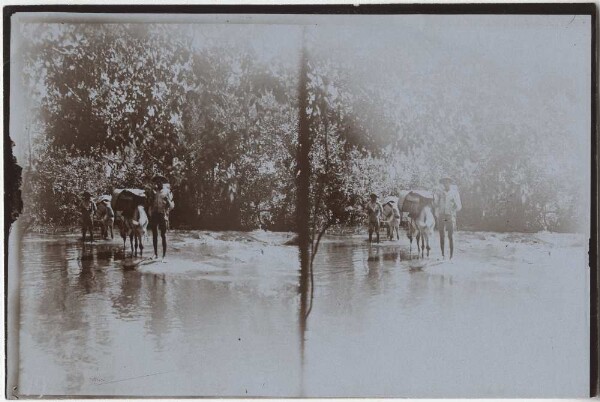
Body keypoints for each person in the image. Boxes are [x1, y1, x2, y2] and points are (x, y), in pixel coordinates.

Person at [149, 177, 175, 262]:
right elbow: (150, 202)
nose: (158, 183)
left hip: (162, 214)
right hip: (155, 214)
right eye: (157, 182)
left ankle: (164, 256)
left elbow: (171, 205)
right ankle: (155, 254)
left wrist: (167, 204)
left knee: (163, 235)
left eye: (160, 182)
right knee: (154, 234)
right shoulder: (154, 191)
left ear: (162, 183)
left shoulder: (166, 191)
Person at [435, 177, 462, 259]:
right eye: (444, 183)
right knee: (441, 235)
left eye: (447, 182)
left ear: (450, 183)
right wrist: (437, 198)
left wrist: (454, 203)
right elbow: (435, 204)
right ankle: (443, 254)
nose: (446, 184)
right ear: (442, 184)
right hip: (442, 215)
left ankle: (451, 255)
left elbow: (459, 207)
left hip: (450, 216)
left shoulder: (454, 193)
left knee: (450, 235)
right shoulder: (439, 192)